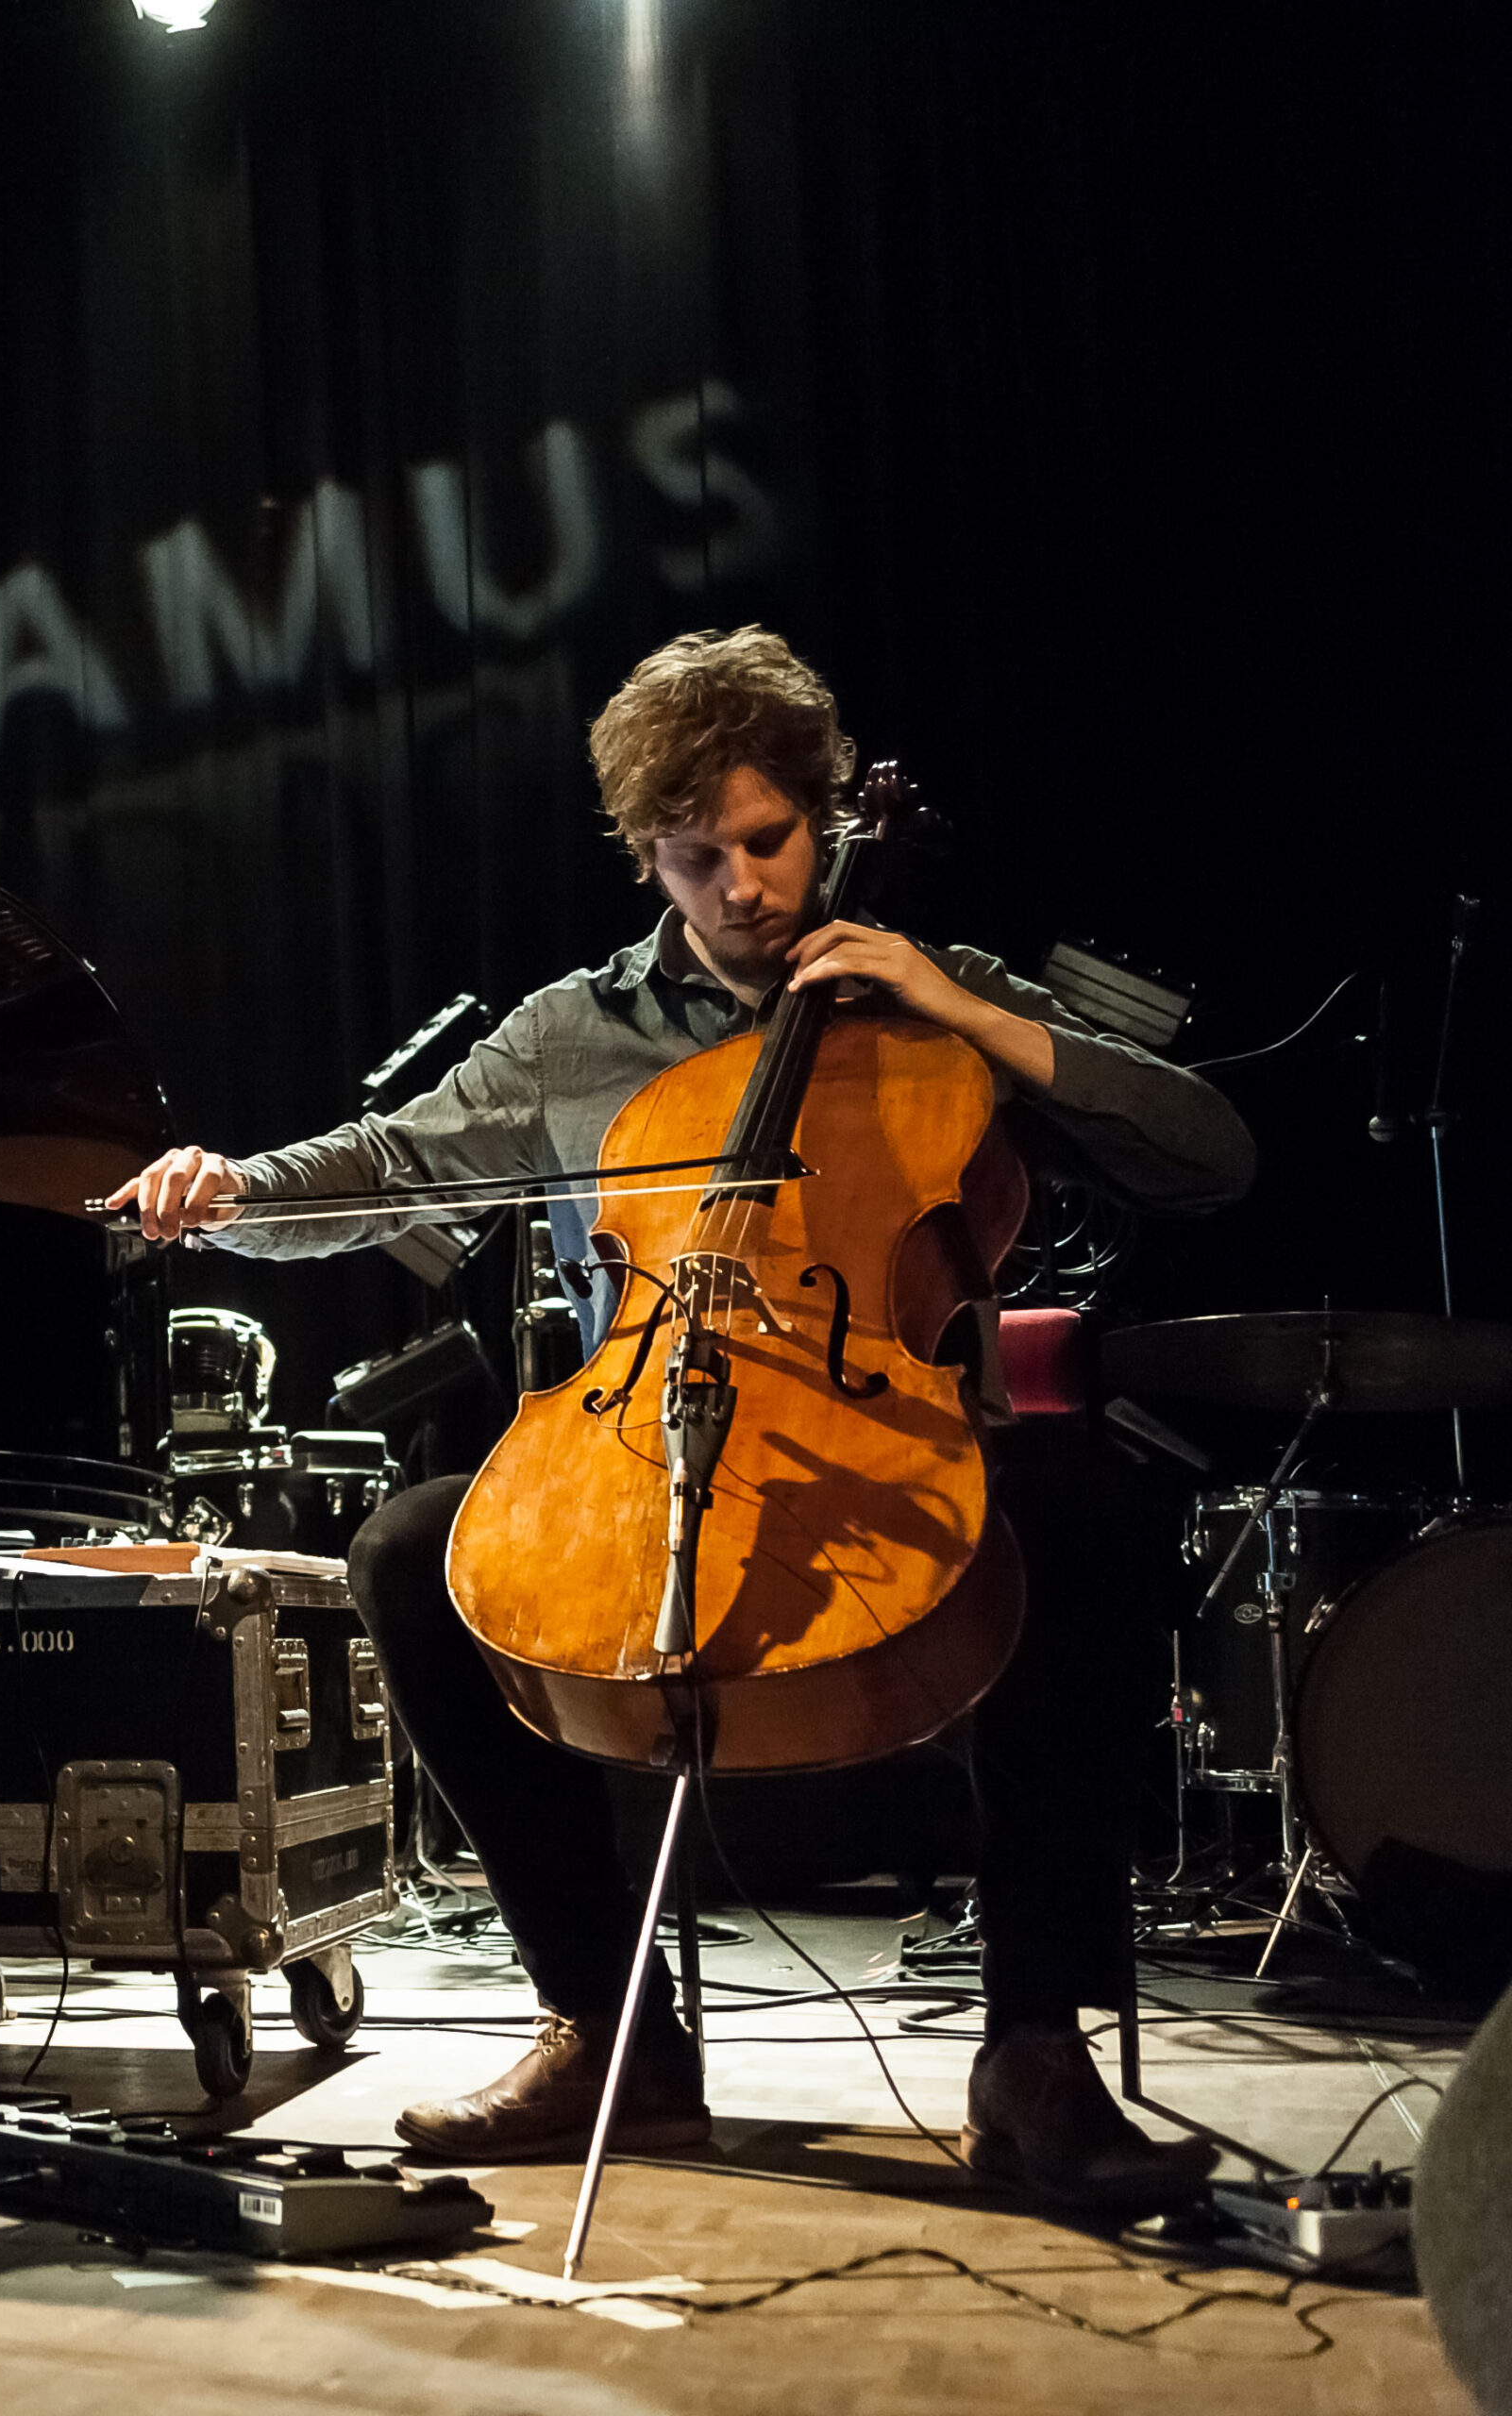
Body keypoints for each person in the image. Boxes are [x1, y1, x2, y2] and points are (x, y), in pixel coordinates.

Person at [108, 627, 1254, 2211]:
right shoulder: (570, 1035)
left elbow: (1210, 1156)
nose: (740, 892)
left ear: (827, 814)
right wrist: (228, 1193)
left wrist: (967, 1013)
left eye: (768, 844)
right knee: (413, 1549)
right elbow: (384, 1163)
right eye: (693, 858)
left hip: (881, 1446)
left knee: (1086, 1505)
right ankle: (611, 2029)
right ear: (647, 855)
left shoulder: (929, 997)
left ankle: (1034, 2057)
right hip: (645, 1445)